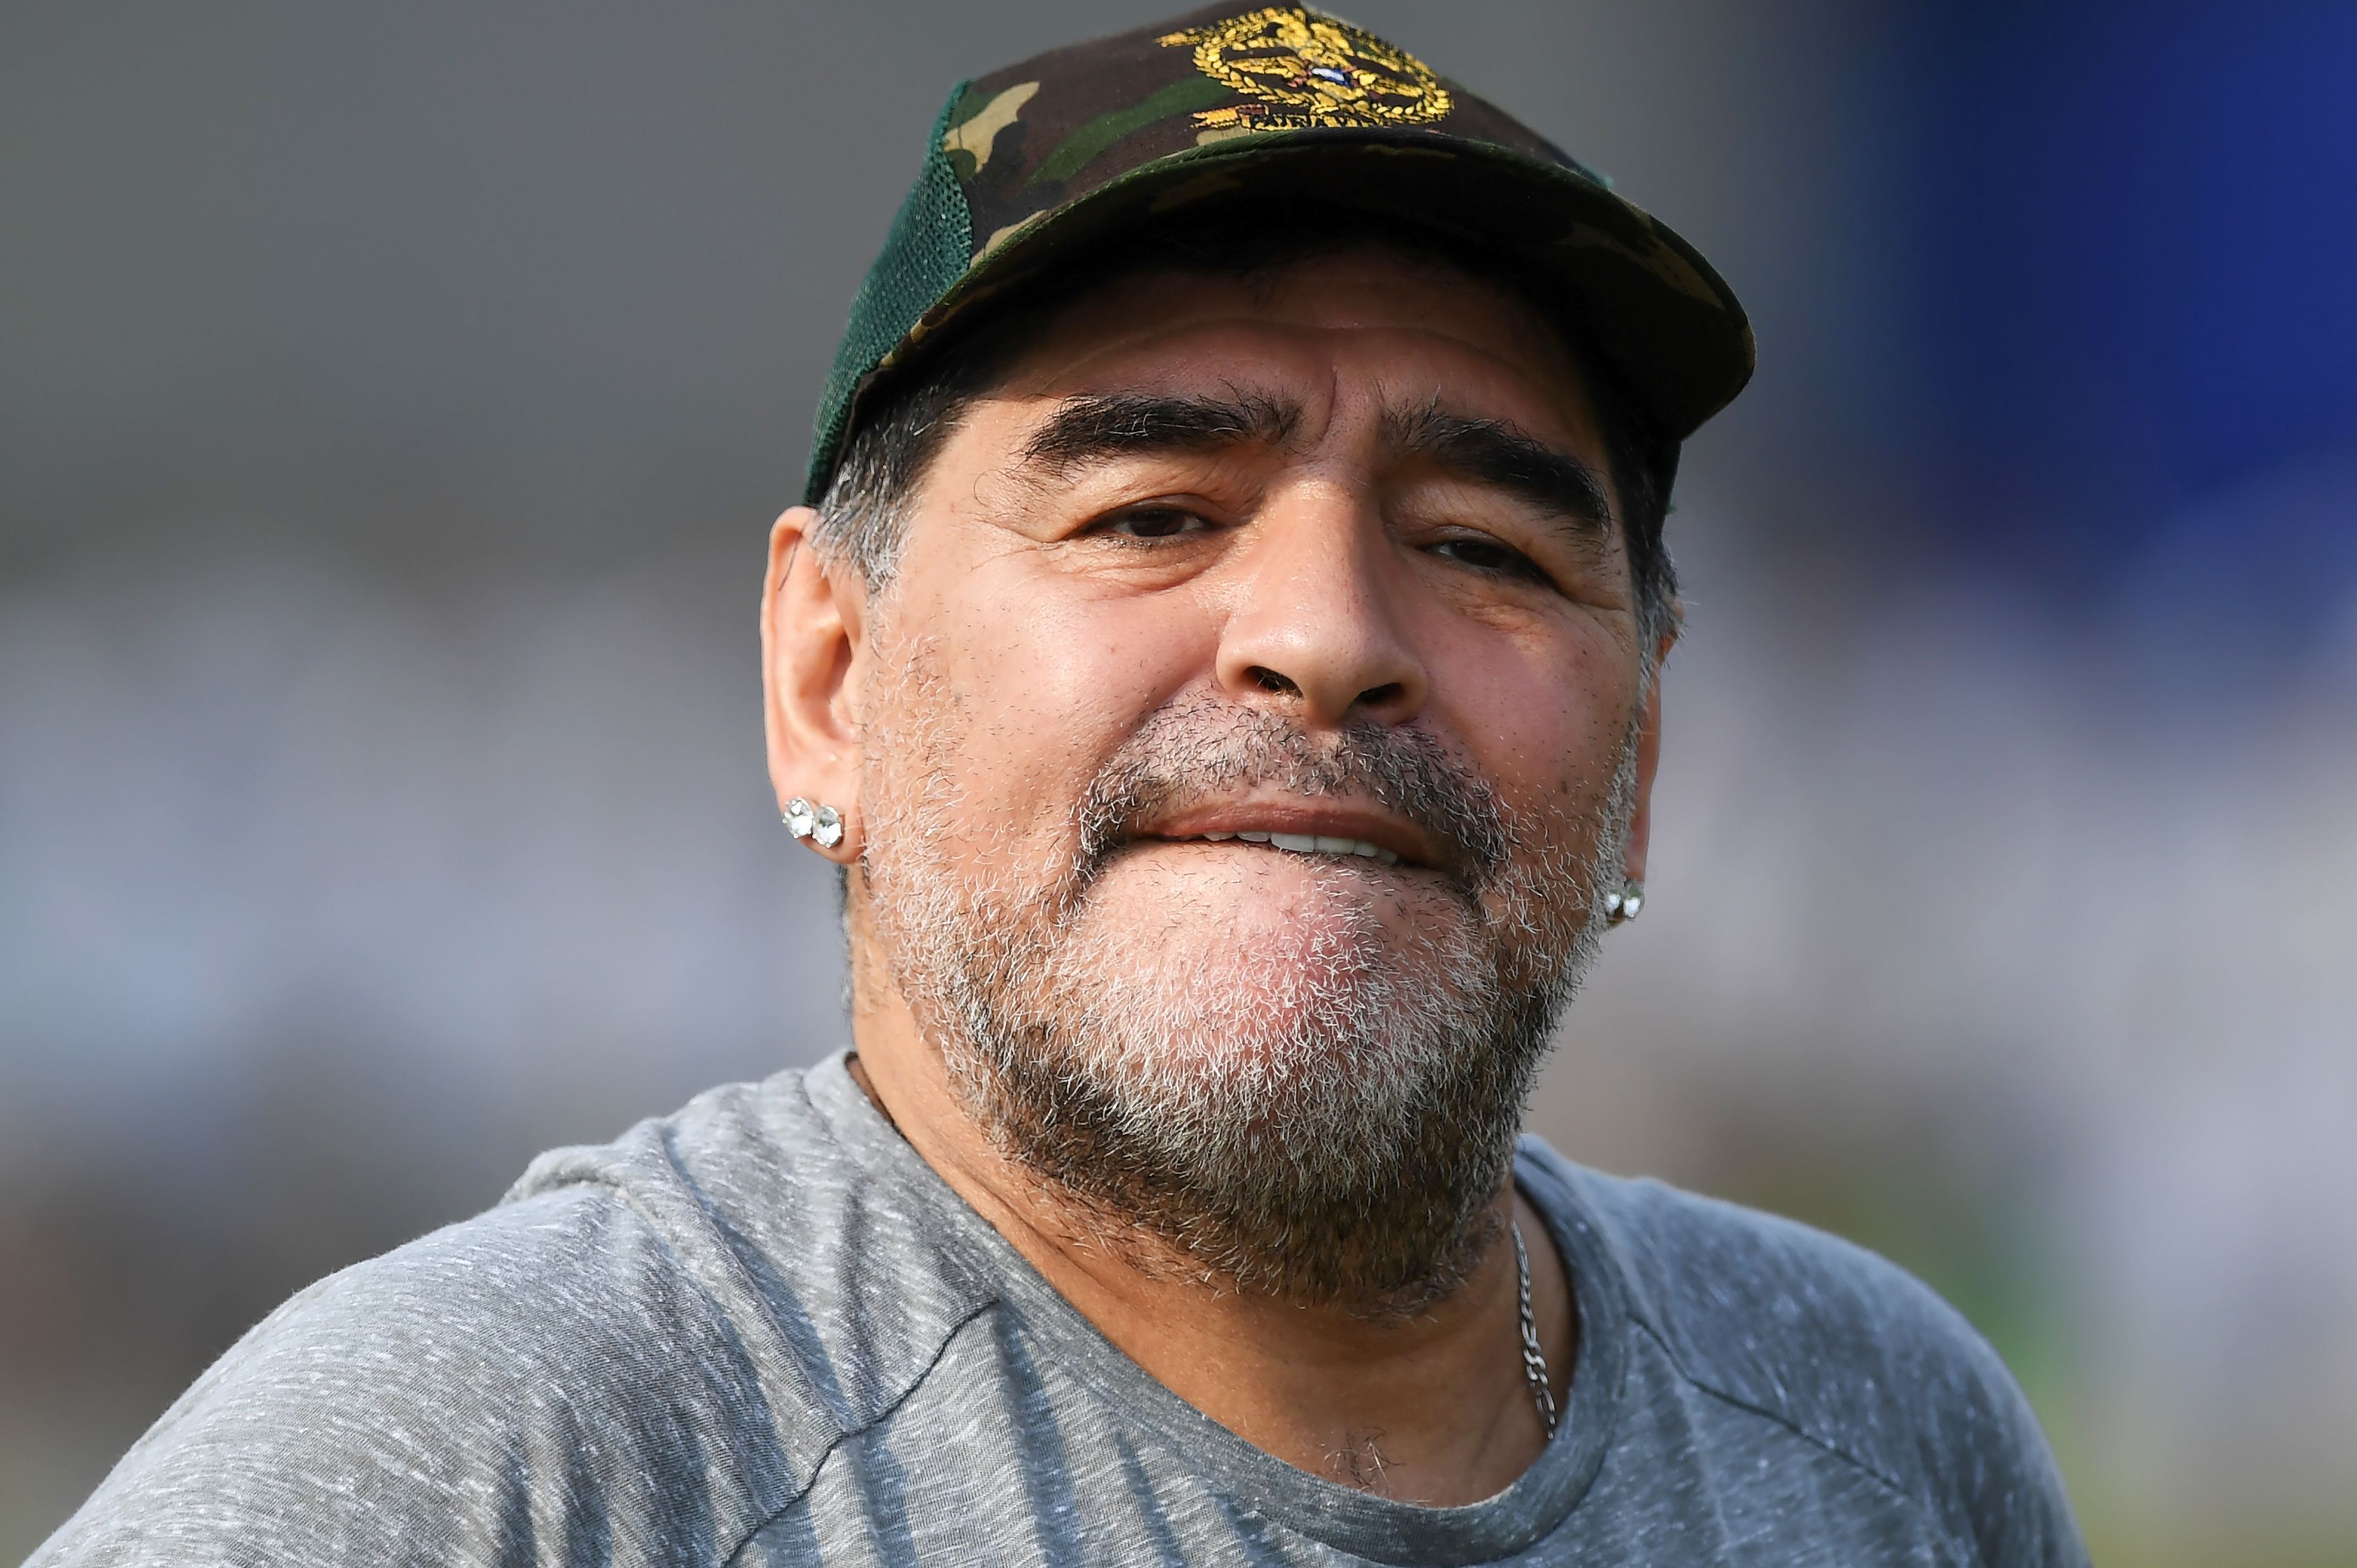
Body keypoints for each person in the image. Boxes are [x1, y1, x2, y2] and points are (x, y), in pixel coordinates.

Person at [32, 7, 2088, 1564]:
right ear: (829, 678)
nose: (1327, 631)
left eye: (1484, 545)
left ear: (1638, 754)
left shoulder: (1876, 1437)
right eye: (1150, 512)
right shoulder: (507, 1469)